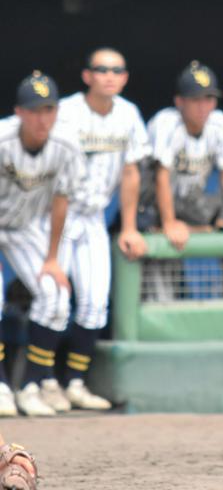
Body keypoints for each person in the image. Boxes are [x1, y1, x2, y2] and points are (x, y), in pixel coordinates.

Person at [55, 47, 151, 410]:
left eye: (117, 70)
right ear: (87, 76)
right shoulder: (65, 112)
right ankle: (41, 382)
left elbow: (131, 172)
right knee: (53, 300)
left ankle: (74, 383)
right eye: (101, 69)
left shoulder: (128, 114)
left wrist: (127, 226)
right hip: (58, 218)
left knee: (95, 303)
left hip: (93, 217)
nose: (109, 75)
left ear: (124, 77)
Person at [0, 71, 84, 417]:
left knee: (55, 293)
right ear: (19, 112)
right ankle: (1, 386)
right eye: (35, 110)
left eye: (48, 109)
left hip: (24, 227)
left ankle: (31, 386)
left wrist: (52, 258)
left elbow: (61, 200)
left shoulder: (66, 144)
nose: (42, 117)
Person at [145, 61, 223, 254]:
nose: (203, 106)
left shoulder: (219, 122)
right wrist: (169, 223)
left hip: (187, 203)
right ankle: (161, 226)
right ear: (179, 101)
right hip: (151, 206)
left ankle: (203, 226)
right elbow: (161, 177)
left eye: (209, 98)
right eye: (195, 99)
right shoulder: (166, 122)